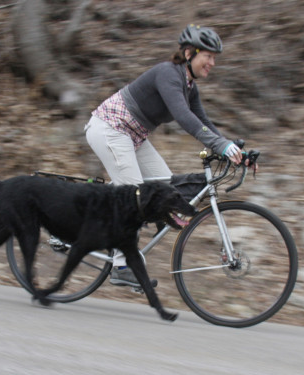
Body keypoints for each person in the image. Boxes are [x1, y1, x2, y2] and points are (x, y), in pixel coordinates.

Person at [85, 24, 245, 287]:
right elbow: (184, 117)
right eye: (209, 56)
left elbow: (203, 120)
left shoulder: (190, 87)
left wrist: (233, 149)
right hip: (109, 129)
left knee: (164, 189)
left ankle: (126, 222)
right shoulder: (168, 74)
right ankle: (121, 265)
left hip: (133, 136)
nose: (213, 63)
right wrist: (221, 146)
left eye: (215, 58)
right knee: (134, 196)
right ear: (190, 53)